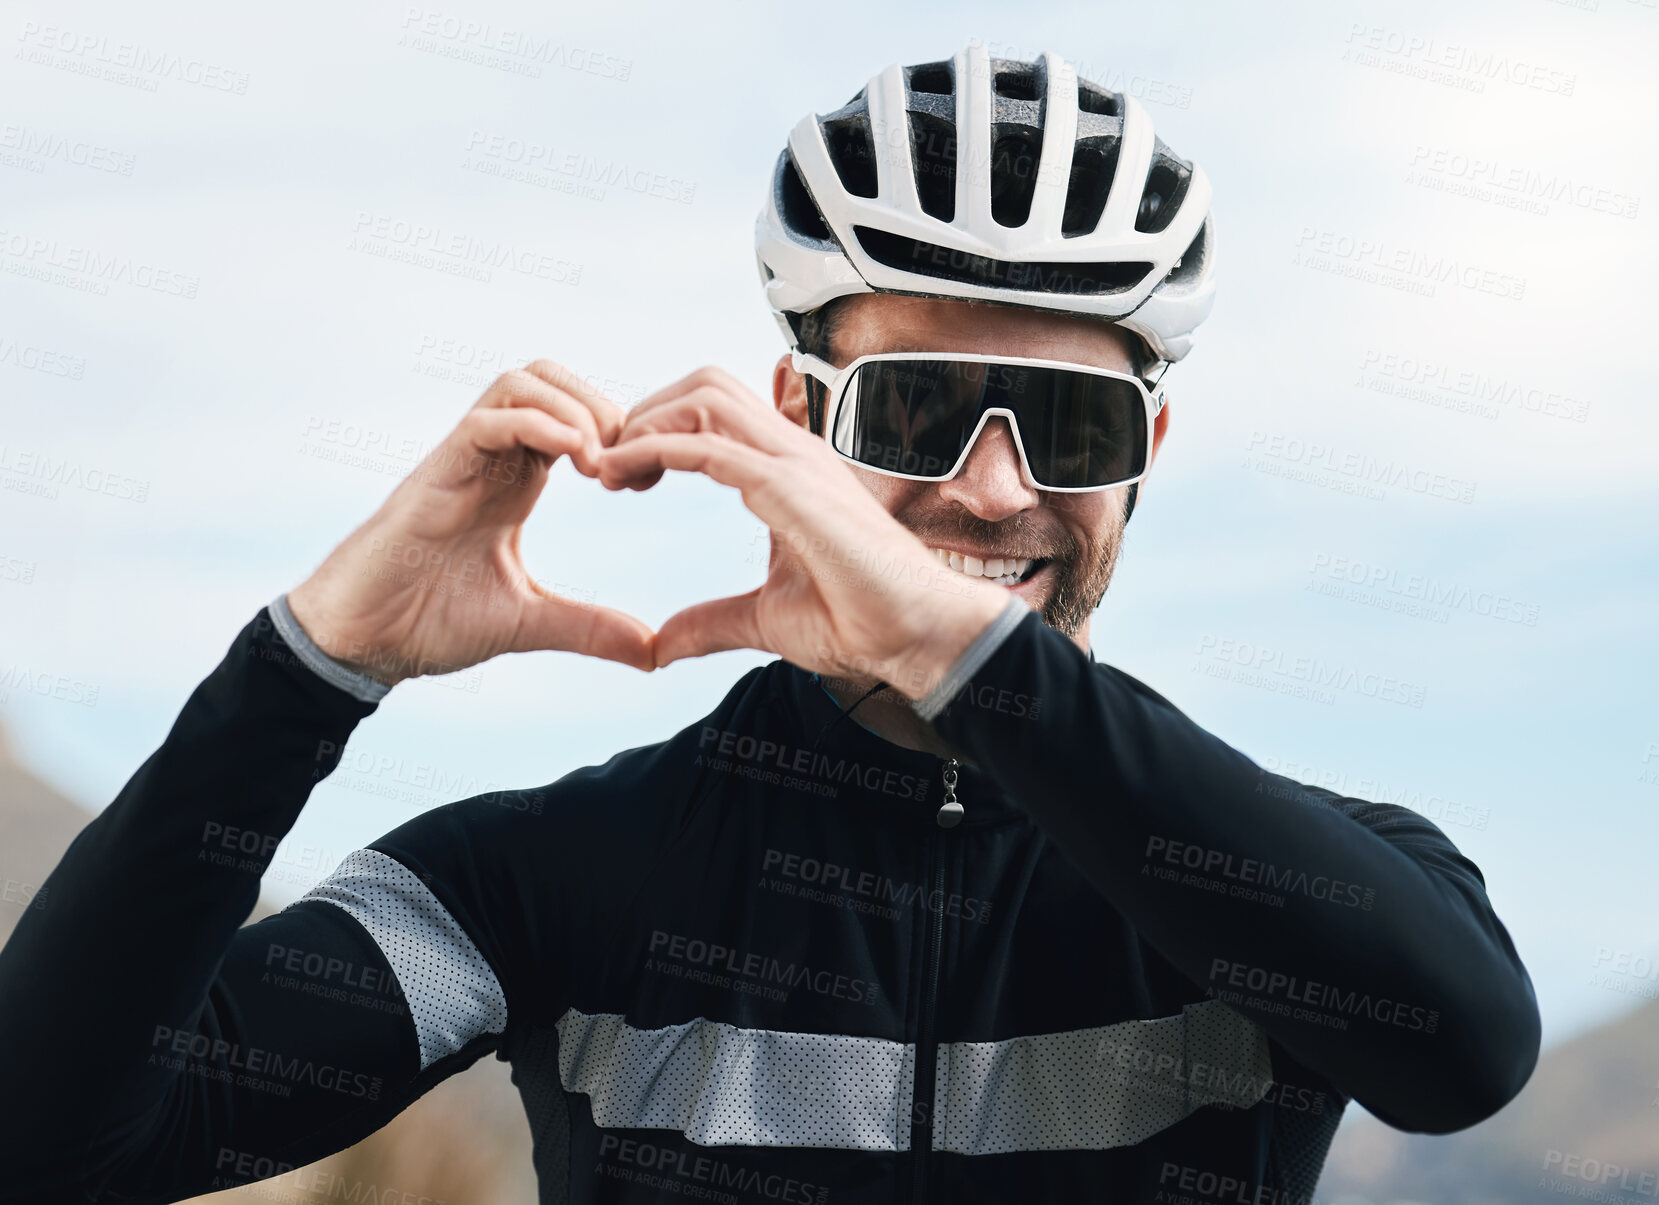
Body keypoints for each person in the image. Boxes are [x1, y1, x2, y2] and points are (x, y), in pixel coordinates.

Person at [0, 44, 1538, 1205]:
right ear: (797, 418)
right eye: (923, 407)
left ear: (1150, 456)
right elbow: (56, 1140)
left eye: (1071, 428)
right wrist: (310, 665)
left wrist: (958, 655)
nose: (997, 489)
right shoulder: (541, 882)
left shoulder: (1270, 884)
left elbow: (1463, 1052)